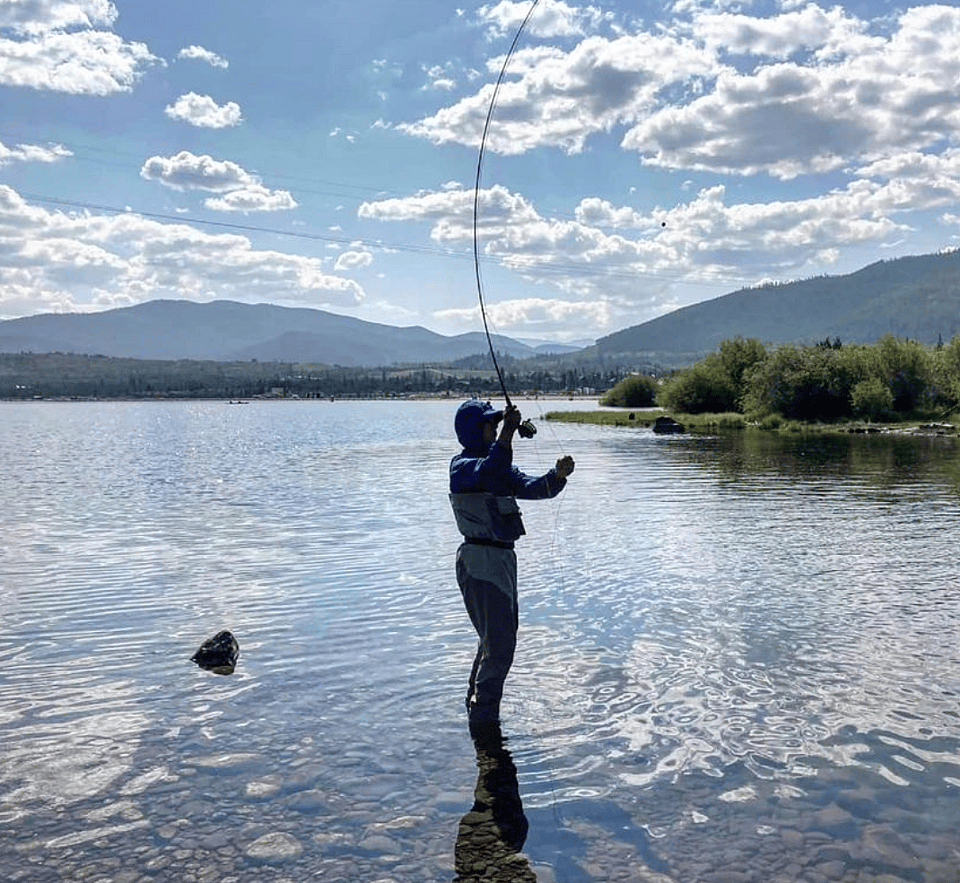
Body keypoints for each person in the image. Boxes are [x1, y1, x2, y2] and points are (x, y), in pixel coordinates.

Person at [449, 398, 575, 727]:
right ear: (478, 431)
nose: (496, 428)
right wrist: (507, 432)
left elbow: (534, 488)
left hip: (501, 561)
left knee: (495, 641)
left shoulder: (498, 466)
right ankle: (484, 722)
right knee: (500, 644)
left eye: (497, 424)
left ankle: (479, 713)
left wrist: (557, 476)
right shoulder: (462, 467)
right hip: (480, 561)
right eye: (492, 424)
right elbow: (490, 472)